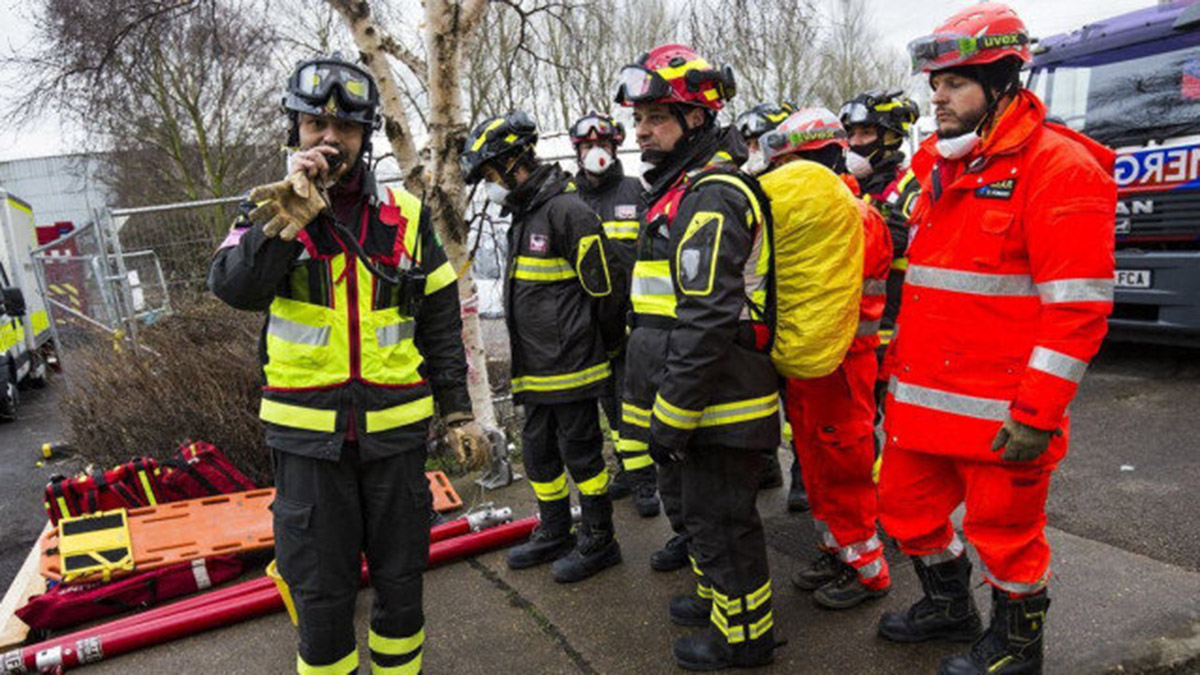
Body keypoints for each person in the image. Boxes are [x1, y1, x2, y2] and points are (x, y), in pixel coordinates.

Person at [209, 53, 490, 675]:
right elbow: (232, 288)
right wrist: (282, 226)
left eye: (346, 129)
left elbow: (440, 321)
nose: (330, 139)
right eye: (316, 126)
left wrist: (460, 413)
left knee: (401, 589)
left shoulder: (406, 215)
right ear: (296, 131)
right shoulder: (269, 209)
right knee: (321, 598)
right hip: (309, 446)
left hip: (394, 439)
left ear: (365, 138)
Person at [877, 4, 1116, 673]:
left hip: (1002, 417)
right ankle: (951, 606)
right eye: (935, 82)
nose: (937, 95)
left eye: (954, 82)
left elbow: (1077, 312)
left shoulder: (1060, 169)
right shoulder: (936, 165)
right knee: (903, 511)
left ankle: (1017, 646)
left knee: (1006, 538)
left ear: (1001, 80)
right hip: (921, 406)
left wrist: (1036, 414)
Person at [616, 43, 780, 670]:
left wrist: (675, 410)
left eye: (655, 118)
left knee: (723, 525)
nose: (641, 133)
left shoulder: (711, 195)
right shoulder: (679, 189)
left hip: (719, 400)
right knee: (703, 521)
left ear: (695, 118)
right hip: (697, 396)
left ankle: (743, 639)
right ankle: (719, 605)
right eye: (638, 120)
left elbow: (708, 316)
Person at [461, 109, 627, 583]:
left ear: (516, 163)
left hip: (572, 367)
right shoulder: (526, 214)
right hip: (535, 369)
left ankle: (599, 537)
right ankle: (555, 528)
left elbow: (607, 291)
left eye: (492, 173)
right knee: (537, 453)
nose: (492, 184)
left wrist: (605, 347)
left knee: (583, 456)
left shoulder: (567, 211)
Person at [743, 108, 893, 610]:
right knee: (814, 461)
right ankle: (837, 551)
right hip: (810, 365)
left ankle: (869, 571)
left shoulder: (857, 217)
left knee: (845, 467)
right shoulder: (813, 218)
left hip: (846, 366)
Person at [568, 110, 661, 518]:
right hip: (588, 325)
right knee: (608, 404)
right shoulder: (567, 198)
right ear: (577, 150)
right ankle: (626, 470)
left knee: (633, 403)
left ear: (614, 147)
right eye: (587, 146)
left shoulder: (636, 190)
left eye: (601, 145)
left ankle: (646, 484)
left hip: (630, 320)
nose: (594, 152)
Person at [734, 100, 812, 510]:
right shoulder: (746, 188)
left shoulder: (807, 185)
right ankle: (767, 465)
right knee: (759, 394)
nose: (753, 151)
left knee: (798, 401)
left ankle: (803, 474)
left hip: (796, 306)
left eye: (760, 142)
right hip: (759, 309)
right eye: (747, 143)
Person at [839, 89, 922, 410]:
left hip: (886, 332)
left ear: (890, 138)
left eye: (866, 133)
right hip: (847, 329)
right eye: (852, 134)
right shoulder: (847, 184)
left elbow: (890, 242)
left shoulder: (910, 186)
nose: (856, 142)